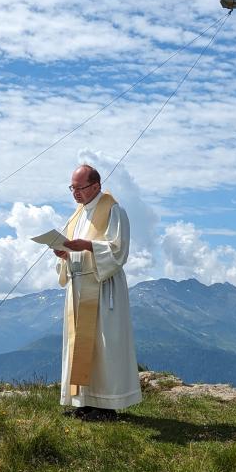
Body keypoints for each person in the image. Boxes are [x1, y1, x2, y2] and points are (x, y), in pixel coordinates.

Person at [53, 164, 142, 420]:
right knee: (79, 346)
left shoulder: (113, 210)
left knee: (104, 346)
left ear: (96, 186)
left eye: (80, 188)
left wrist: (89, 246)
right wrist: (64, 253)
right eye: (72, 187)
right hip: (78, 285)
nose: (75, 193)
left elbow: (118, 251)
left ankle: (106, 405)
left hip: (103, 287)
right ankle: (83, 401)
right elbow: (73, 250)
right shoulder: (77, 216)